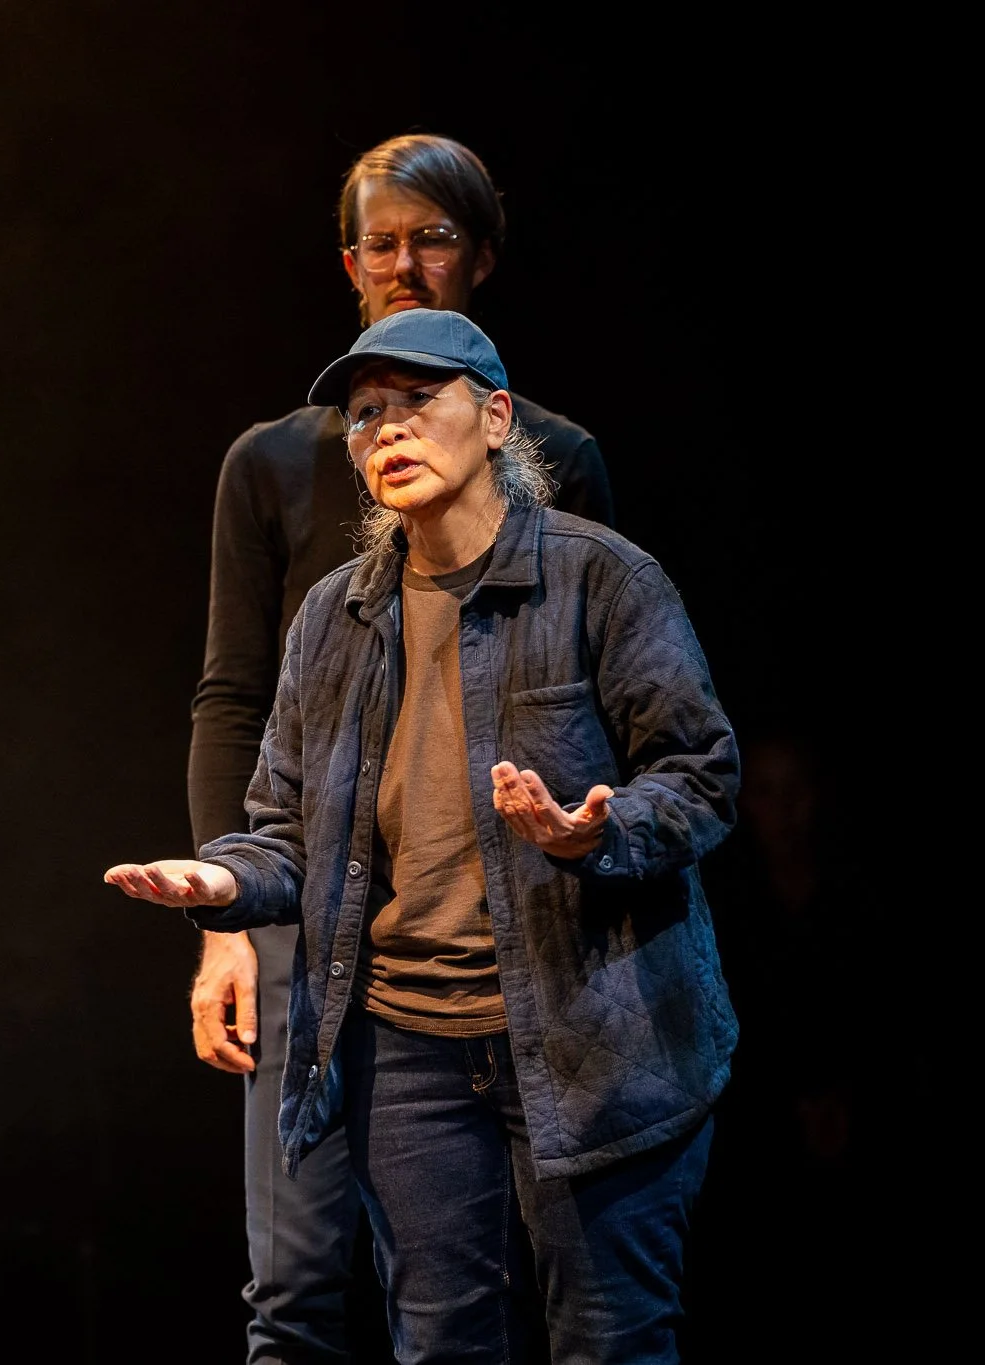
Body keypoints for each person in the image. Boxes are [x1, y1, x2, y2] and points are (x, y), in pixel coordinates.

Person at [112, 308, 737, 1363]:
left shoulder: (599, 579)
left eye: (415, 402)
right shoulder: (332, 616)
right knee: (440, 1347)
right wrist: (221, 883)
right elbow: (282, 831)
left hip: (587, 1038)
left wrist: (595, 833)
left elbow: (700, 775)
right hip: (406, 1051)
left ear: (494, 419)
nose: (385, 430)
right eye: (363, 415)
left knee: (609, 1344)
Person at [186, 133, 615, 1362]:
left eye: (433, 238)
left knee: (518, 1289)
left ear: (479, 257)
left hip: (492, 925)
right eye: (381, 242)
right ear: (347, 264)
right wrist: (229, 926)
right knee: (296, 1288)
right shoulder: (274, 463)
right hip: (312, 912)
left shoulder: (554, 460)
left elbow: (602, 700)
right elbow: (230, 700)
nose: (405, 264)